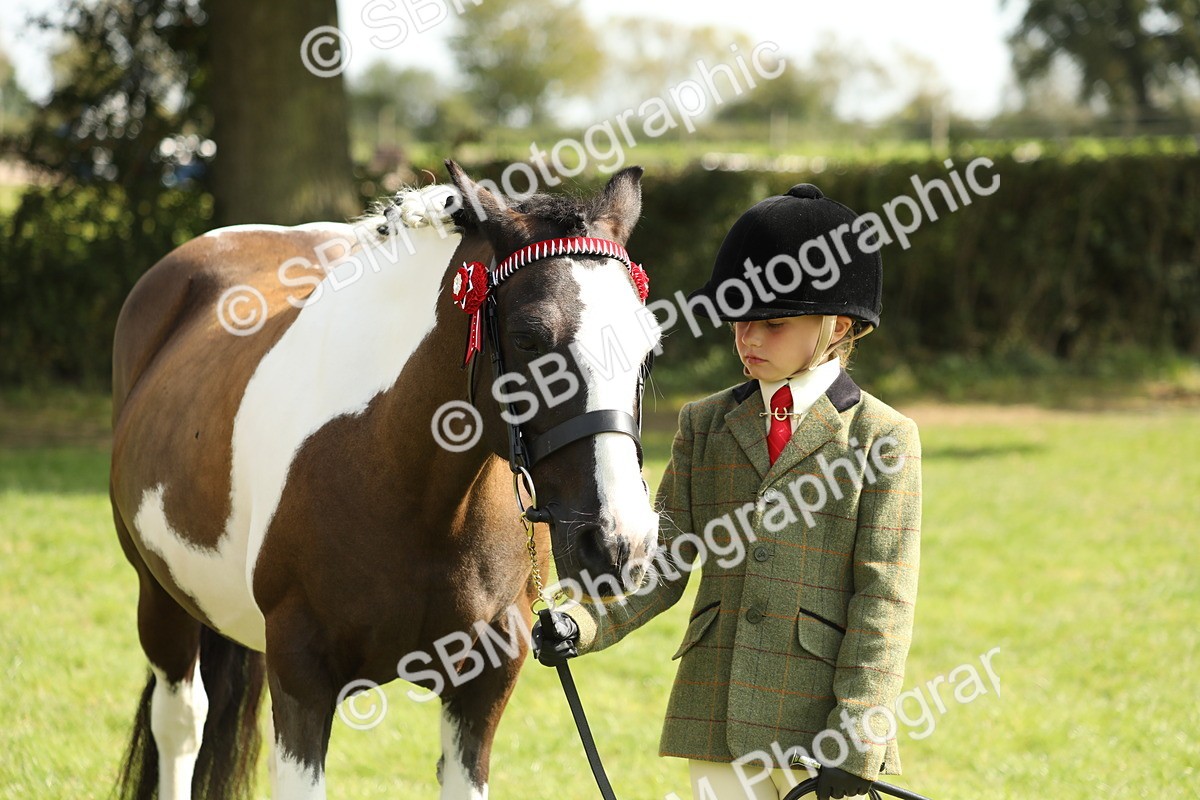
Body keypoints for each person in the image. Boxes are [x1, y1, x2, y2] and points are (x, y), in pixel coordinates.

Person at [533, 184, 922, 800]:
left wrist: (858, 734)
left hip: (821, 726)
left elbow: (885, 600)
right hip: (716, 713)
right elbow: (662, 564)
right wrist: (581, 620)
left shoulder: (884, 438)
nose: (749, 339)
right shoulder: (704, 424)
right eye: (741, 321)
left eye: (772, 324)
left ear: (836, 325)